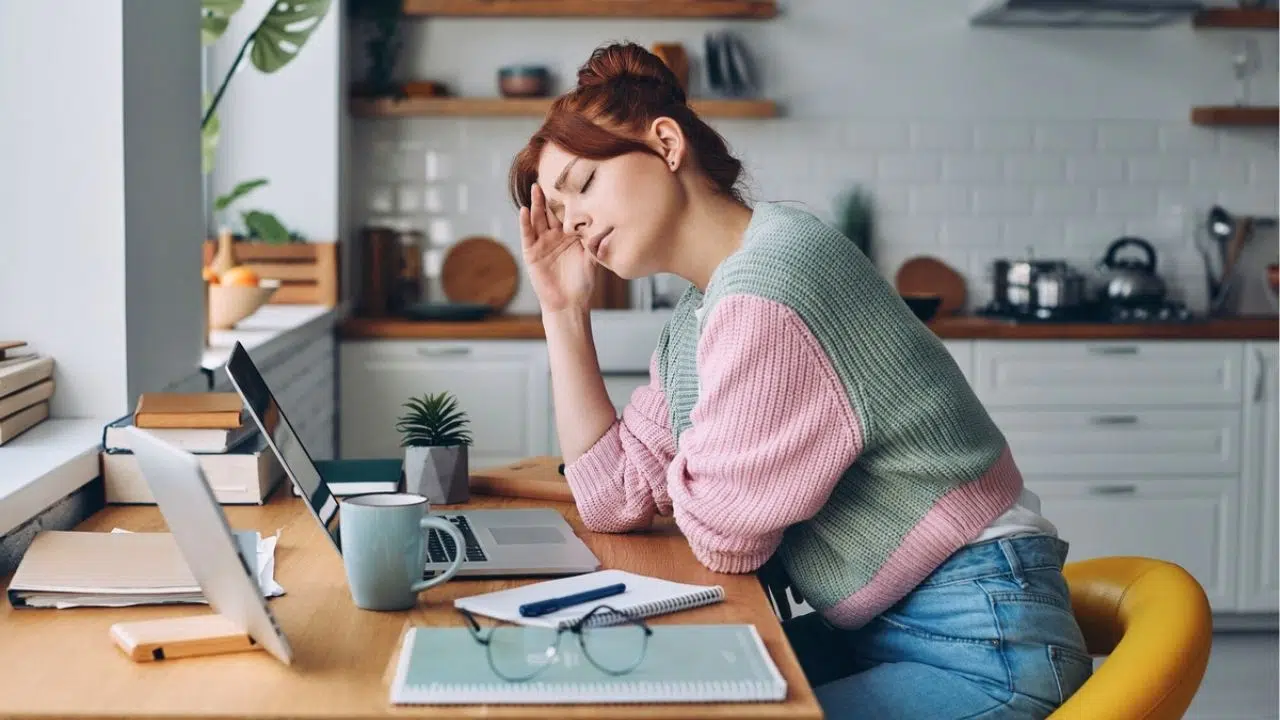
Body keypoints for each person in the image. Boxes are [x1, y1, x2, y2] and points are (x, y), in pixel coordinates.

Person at [508, 41, 1093, 719]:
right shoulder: (705, 311)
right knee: (661, 690)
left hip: (983, 642)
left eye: (582, 184)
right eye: (557, 206)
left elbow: (725, 542)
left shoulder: (772, 285)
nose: (573, 220)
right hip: (898, 626)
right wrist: (563, 310)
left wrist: (691, 475)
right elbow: (613, 496)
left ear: (666, 144)